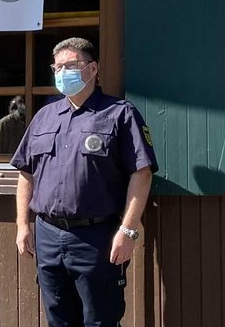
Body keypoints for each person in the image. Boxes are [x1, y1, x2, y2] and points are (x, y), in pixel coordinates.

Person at [11, 37, 157, 327]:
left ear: (92, 69)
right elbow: (26, 173)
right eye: (58, 67)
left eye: (72, 65)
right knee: (59, 320)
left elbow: (142, 174)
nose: (63, 72)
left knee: (99, 321)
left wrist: (128, 231)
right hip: (48, 235)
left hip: (97, 238)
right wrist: (22, 225)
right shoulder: (43, 117)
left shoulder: (119, 114)